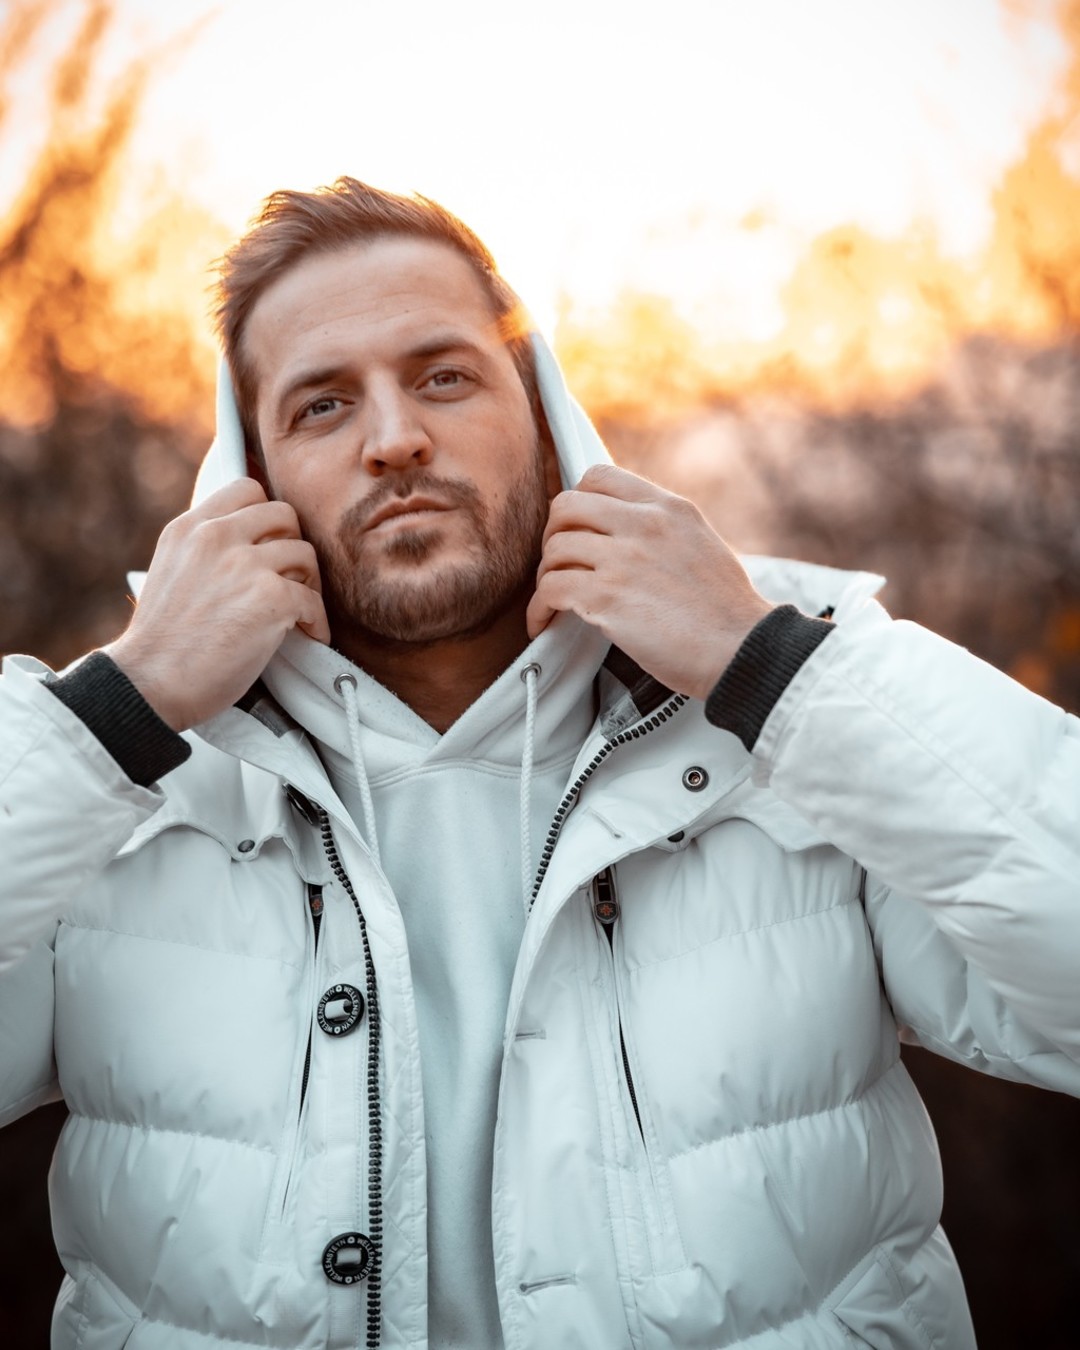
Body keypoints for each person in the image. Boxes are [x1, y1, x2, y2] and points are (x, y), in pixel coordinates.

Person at [1, 176, 1078, 1350]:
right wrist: (118, 712)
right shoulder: (114, 780)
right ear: (249, 483)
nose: (394, 439)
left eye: (442, 377)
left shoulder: (795, 719)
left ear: (548, 418)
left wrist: (769, 667)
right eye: (322, 405)